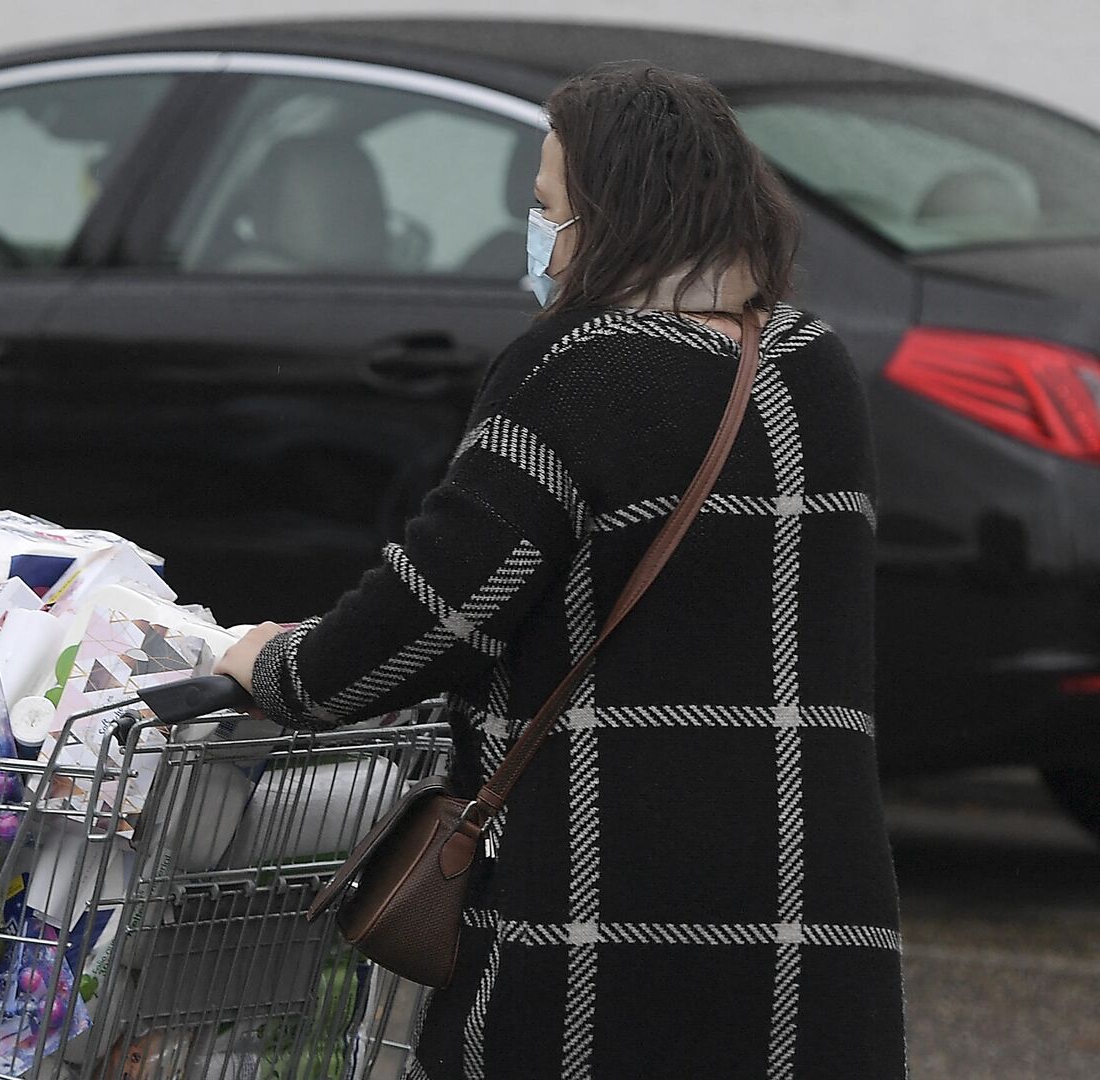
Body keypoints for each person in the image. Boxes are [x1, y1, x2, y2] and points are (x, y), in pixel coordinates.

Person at [216, 64, 906, 1078]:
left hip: (605, 907)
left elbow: (438, 616)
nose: (534, 232)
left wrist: (272, 664)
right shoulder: (812, 366)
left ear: (613, 215)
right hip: (813, 910)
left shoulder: (583, 368)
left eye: (546, 206)